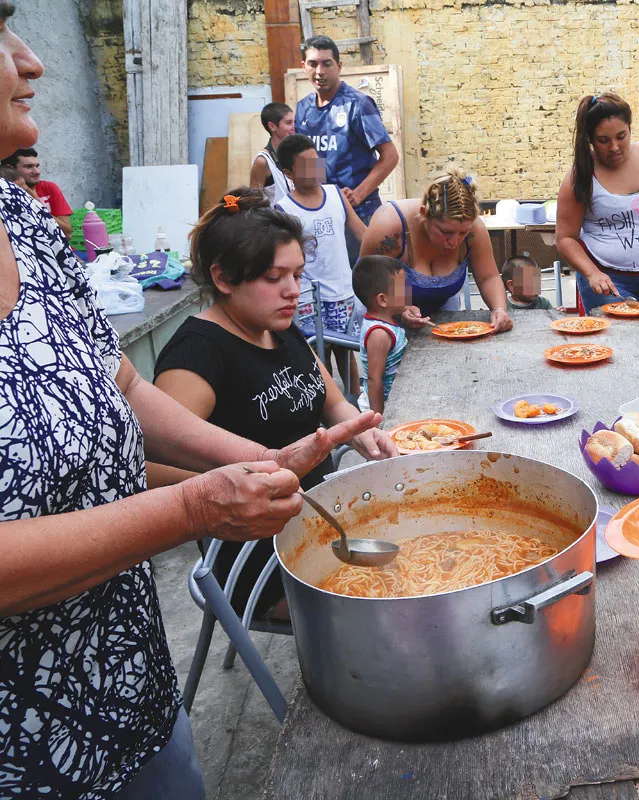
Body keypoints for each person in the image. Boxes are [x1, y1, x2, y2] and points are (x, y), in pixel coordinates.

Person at [0, 15, 380, 798]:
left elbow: (122, 387)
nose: (29, 59)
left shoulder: (21, 217)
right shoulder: (203, 350)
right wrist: (198, 505)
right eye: (1, 33)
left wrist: (259, 461)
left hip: (131, 687)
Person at [153, 188, 397, 617]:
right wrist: (243, 479)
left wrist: (362, 433)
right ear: (224, 279)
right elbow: (149, 467)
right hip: (258, 555)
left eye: (297, 275)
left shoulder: (278, 327)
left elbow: (333, 402)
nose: (292, 291)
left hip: (322, 522)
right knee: (393, 602)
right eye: (273, 278)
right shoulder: (197, 356)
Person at [554, 92, 639, 311]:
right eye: (603, 141)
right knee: (615, 333)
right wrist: (592, 273)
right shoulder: (581, 176)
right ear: (591, 140)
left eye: (621, 136)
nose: (614, 147)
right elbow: (565, 238)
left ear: (630, 129)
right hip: (609, 283)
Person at [359, 170, 514, 332]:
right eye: (446, 232)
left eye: (463, 233)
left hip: (441, 314)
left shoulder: (475, 229)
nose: (454, 242)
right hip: (384, 321)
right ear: (424, 214)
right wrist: (400, 308)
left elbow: (488, 277)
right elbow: (366, 280)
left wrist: (499, 310)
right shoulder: (390, 226)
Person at [294, 36, 399, 249]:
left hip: (361, 213)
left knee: (363, 269)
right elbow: (308, 162)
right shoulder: (303, 108)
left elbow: (390, 156)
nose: (319, 71)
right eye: (313, 64)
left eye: (327, 64)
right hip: (322, 214)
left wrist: (358, 194)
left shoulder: (358, 104)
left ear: (339, 66)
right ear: (304, 66)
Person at [273, 134, 365, 347]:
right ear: (288, 173)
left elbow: (364, 234)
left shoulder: (336, 195)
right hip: (308, 299)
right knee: (317, 354)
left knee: (347, 350)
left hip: (342, 292)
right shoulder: (284, 210)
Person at [353, 255, 409, 414]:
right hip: (384, 405)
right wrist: (379, 418)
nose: (408, 292)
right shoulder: (379, 334)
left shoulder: (387, 321)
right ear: (383, 300)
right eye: (402, 289)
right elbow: (374, 379)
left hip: (395, 397)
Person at [1, 146, 70, 237]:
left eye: (37, 166)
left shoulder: (48, 188)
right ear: (10, 168)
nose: (37, 171)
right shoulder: (4, 193)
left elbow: (67, 233)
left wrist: (29, 193)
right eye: (29, 167)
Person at [249, 101, 295, 203]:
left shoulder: (297, 153)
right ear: (272, 126)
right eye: (288, 123)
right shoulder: (262, 161)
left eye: (294, 122)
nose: (294, 127)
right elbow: (254, 203)